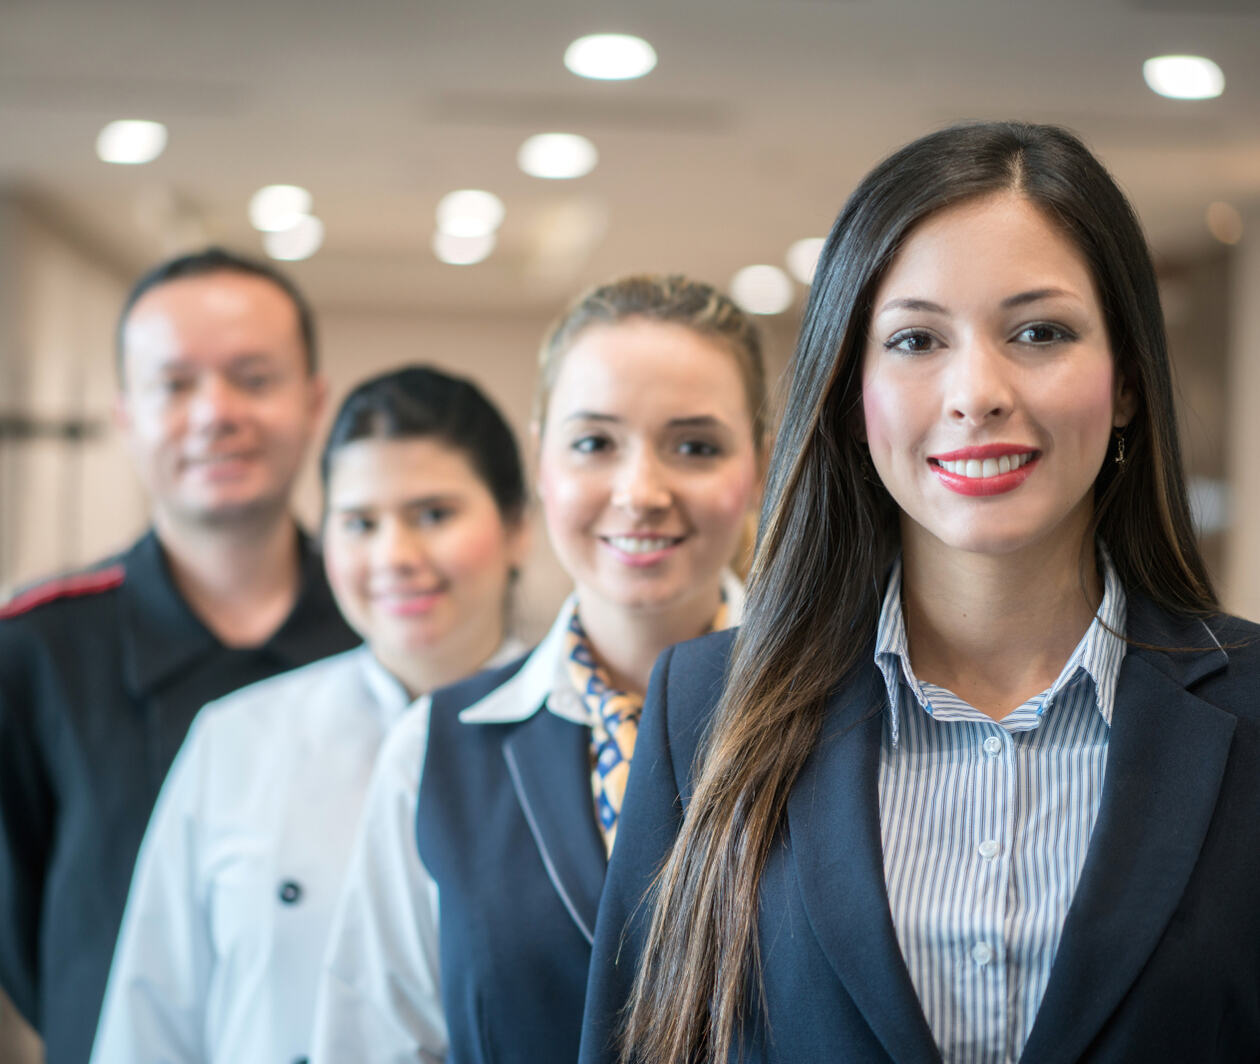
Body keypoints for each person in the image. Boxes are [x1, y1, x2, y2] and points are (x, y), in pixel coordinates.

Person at [579, 122, 1260, 1064]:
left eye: (1039, 331)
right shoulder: (704, 710)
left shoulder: (1250, 707)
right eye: (914, 339)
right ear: (853, 393)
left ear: (1130, 382)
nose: (976, 391)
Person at [309, 274, 768, 1064]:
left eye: (695, 446)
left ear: (759, 462)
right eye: (594, 444)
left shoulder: (854, 711)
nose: (640, 492)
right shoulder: (438, 749)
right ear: (541, 462)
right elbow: (377, 1043)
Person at [89, 365, 531, 1064]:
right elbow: (151, 1023)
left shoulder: (579, 735)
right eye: (359, 523)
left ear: (517, 528)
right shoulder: (235, 739)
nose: (394, 556)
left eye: (434, 515)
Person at [0, 247, 358, 1064]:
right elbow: (25, 935)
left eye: (254, 378)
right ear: (127, 417)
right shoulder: (33, 650)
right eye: (175, 385)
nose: (214, 414)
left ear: (313, 403)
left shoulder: (385, 638)